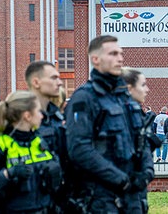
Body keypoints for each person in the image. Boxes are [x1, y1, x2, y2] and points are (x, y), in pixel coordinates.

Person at [65, 35, 152, 213]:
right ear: (95, 59)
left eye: (120, 53)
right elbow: (79, 149)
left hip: (133, 195)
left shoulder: (125, 97)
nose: (120, 58)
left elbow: (142, 139)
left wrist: (146, 172)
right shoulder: (84, 98)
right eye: (113, 54)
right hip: (101, 197)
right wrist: (120, 179)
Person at [0, 90, 61, 213]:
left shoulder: (40, 141)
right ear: (27, 116)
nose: (42, 115)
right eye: (38, 111)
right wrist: (7, 175)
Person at [25, 60, 68, 211]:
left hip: (57, 201)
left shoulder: (57, 117)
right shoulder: (20, 119)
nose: (60, 83)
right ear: (36, 82)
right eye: (53, 78)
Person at [120, 66, 158, 212]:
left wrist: (147, 171)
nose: (147, 89)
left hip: (137, 190)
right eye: (142, 85)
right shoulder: (116, 116)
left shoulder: (136, 114)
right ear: (130, 89)